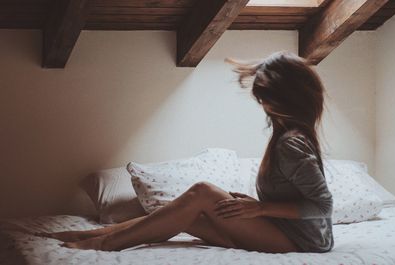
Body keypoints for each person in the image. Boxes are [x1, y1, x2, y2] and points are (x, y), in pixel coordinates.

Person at [38, 51, 334, 253]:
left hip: (303, 241)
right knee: (185, 213)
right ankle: (93, 235)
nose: (263, 106)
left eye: (266, 99)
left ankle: (102, 245)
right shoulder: (287, 135)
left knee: (203, 192)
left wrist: (261, 208)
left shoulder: (291, 143)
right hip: (283, 229)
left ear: (288, 97)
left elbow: (323, 206)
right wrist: (257, 206)